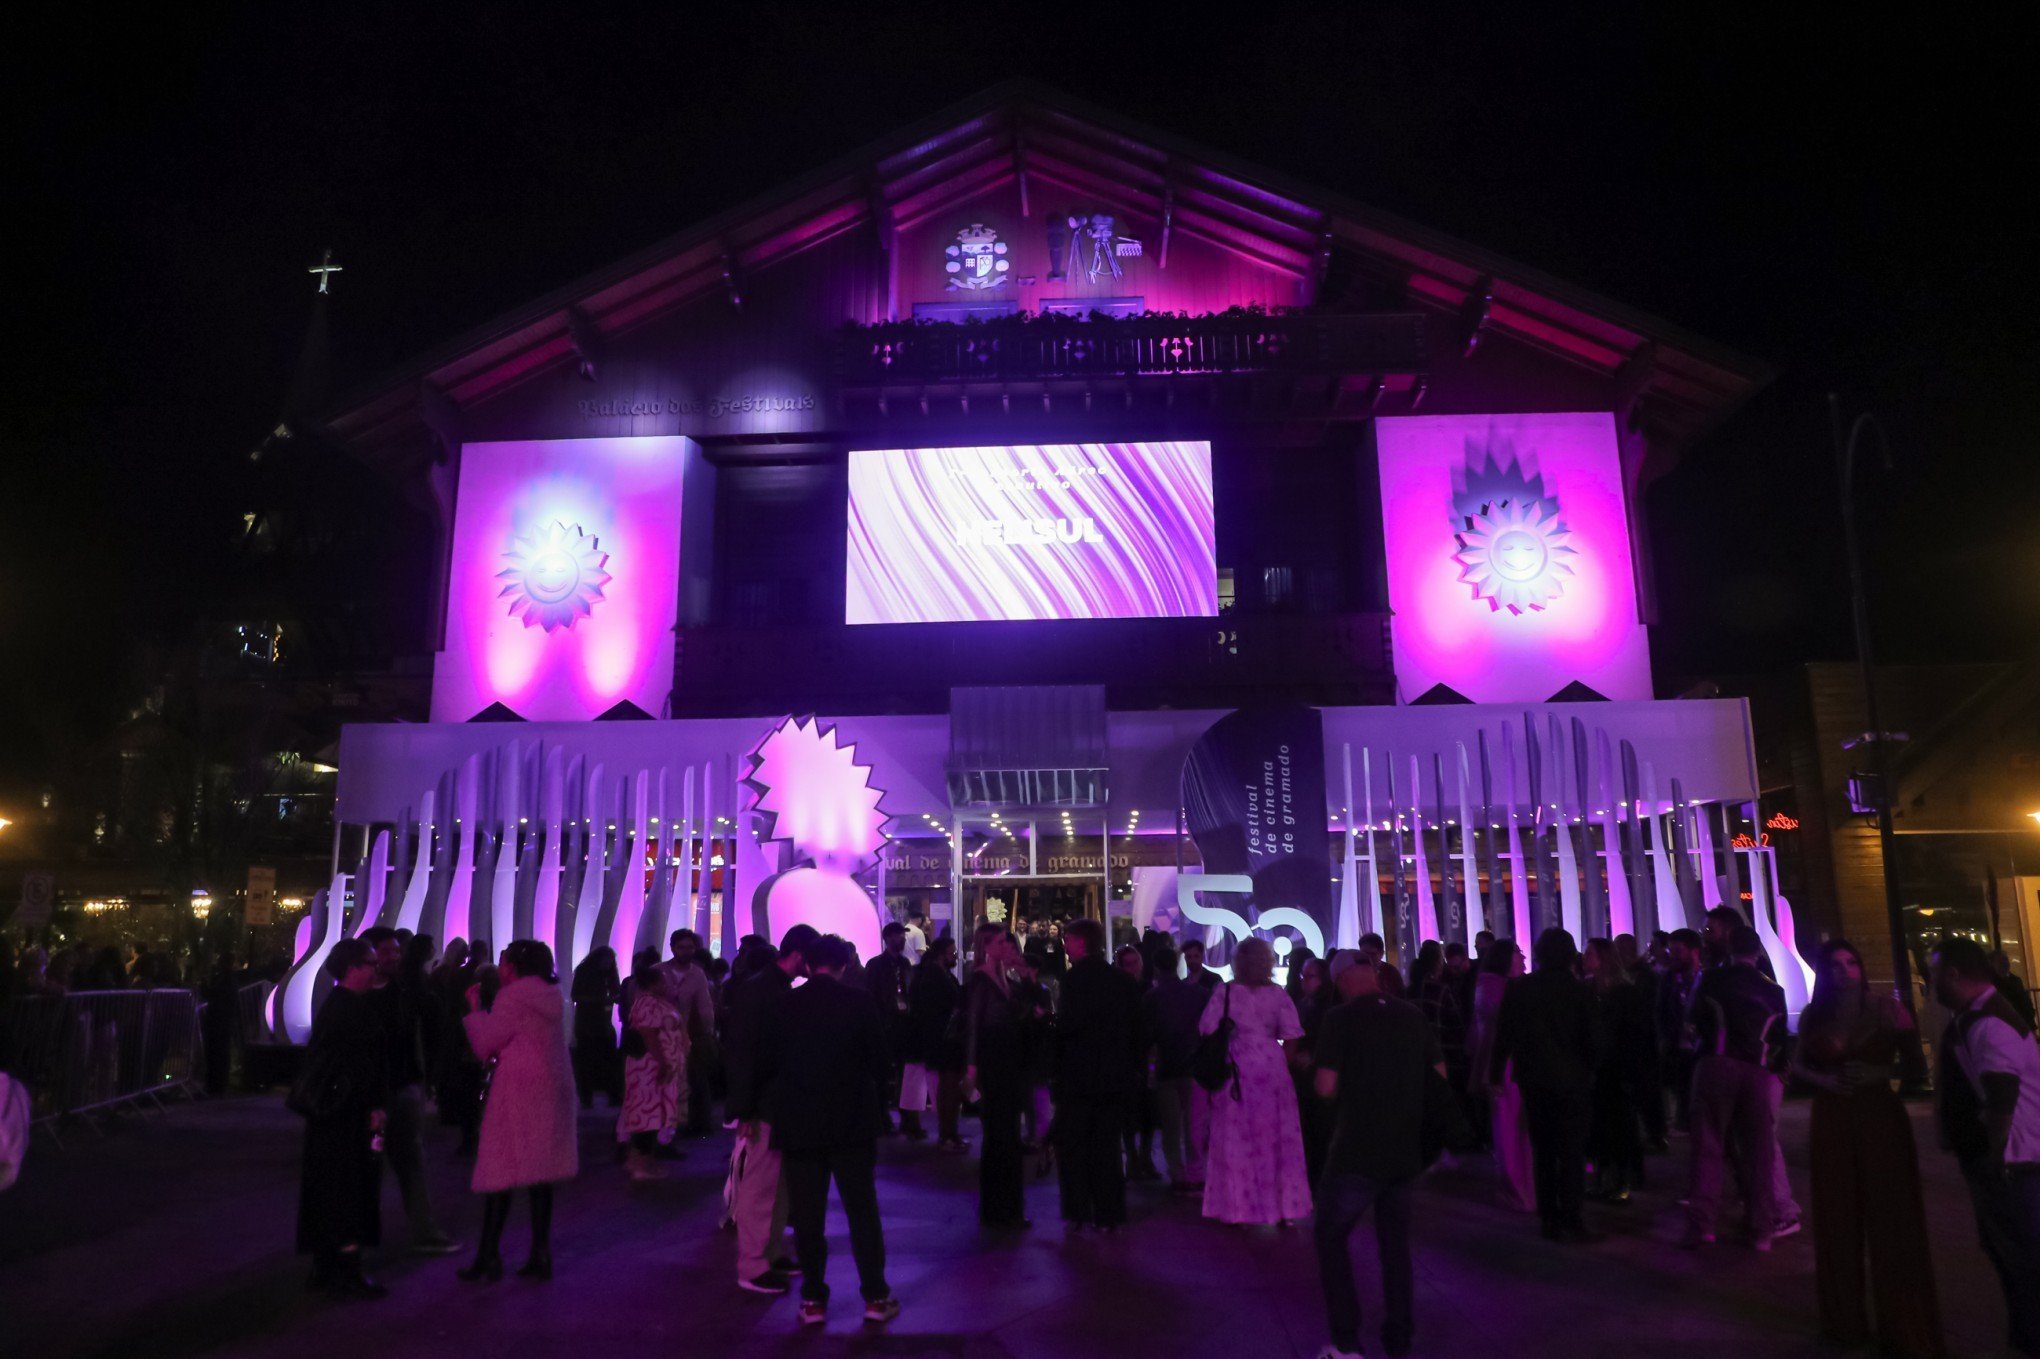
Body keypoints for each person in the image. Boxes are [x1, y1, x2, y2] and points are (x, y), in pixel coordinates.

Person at [1794, 939, 1943, 1357]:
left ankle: (1905, 1326)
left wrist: (1879, 1070)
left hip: (1879, 1114)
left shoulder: (1887, 1008)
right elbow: (1799, 1065)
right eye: (1835, 965)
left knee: (1892, 1219)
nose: (1844, 971)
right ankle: (1845, 1323)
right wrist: (1825, 1081)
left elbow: (1915, 1067)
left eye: (1851, 962)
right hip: (1832, 1118)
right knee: (1836, 1215)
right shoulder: (1813, 1015)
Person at [759, 933, 901, 1327]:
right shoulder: (858, 1003)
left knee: (808, 1215)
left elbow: (768, 1062)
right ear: (843, 965)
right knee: (862, 1211)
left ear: (809, 964)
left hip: (800, 1122)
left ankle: (813, 1300)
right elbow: (880, 1061)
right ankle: (875, 1295)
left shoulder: (785, 1005)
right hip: (851, 1121)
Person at [1312, 950, 1441, 1359]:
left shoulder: (1340, 1019)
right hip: (1404, 1146)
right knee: (1395, 1243)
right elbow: (1439, 1076)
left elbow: (1326, 1087)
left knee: (1330, 1234)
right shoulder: (1412, 1015)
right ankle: (1399, 1337)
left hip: (1358, 1147)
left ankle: (1347, 1341)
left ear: (1342, 980)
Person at [1932, 936, 2040, 1356]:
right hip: (2013, 1161)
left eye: (1935, 973)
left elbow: (2001, 1098)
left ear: (1954, 975)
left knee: (2024, 1262)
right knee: (2015, 1259)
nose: (1930, 981)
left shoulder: (1989, 1022)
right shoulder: (1979, 1016)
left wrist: (1994, 1158)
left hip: (2015, 1163)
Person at [458, 940, 578, 1282]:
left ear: (513, 966)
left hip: (518, 1087)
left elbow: (486, 1044)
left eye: (503, 961)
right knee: (541, 1174)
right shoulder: (550, 995)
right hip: (551, 1085)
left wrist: (474, 1009)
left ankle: (488, 1256)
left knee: (501, 1170)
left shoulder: (512, 997)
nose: (499, 967)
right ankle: (540, 1255)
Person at [724, 925, 817, 1295]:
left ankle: (768, 1254)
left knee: (775, 1185)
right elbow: (743, 1055)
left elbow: (745, 1053)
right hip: (765, 1104)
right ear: (799, 955)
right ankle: (753, 1264)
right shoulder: (765, 991)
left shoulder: (767, 988)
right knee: (763, 1186)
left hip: (770, 1102)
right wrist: (743, 1109)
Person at [296, 938, 390, 1299]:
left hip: (331, 1113)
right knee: (351, 1187)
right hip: (349, 1114)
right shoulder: (354, 1011)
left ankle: (325, 1262)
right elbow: (363, 1067)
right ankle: (346, 1267)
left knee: (328, 1186)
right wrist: (375, 1108)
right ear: (353, 968)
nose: (375, 969)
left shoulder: (335, 1006)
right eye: (370, 963)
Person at [1491, 929, 1600, 1242]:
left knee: (1543, 1150)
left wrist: (1496, 1074)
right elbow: (1592, 1039)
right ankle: (1572, 1218)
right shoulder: (1579, 991)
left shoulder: (1520, 989)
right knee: (1571, 1152)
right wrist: (1590, 1069)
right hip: (1572, 1080)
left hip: (1533, 1079)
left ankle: (1549, 1218)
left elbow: (1504, 1036)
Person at [1683, 924, 1786, 1251]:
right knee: (1759, 1151)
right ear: (1757, 953)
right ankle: (1761, 1230)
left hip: (1717, 1064)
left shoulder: (1712, 979)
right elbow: (1779, 1037)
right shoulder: (1774, 990)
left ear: (1729, 950)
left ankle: (1704, 1225)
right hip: (1757, 1070)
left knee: (1709, 1146)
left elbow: (1693, 1019)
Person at [1198, 937, 1313, 1225]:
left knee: (1235, 1141)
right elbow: (1292, 1036)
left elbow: (1207, 1029)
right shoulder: (1278, 995)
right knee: (1277, 1140)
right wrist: (1277, 1064)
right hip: (1273, 1071)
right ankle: (1283, 1207)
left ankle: (1236, 1207)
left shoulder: (1224, 992)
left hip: (1235, 1070)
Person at [359, 927, 457, 1254]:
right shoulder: (356, 997)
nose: (394, 957)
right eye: (387, 951)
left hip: (404, 1087)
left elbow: (427, 1033)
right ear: (369, 955)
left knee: (411, 1161)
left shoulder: (406, 991)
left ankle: (424, 1230)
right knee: (368, 1164)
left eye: (396, 951)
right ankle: (360, 1234)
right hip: (371, 1093)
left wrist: (424, 1077)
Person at [1054, 920, 1146, 1231]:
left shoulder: (1073, 981)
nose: (1065, 945)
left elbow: (1067, 1028)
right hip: (1114, 1076)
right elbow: (1138, 1032)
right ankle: (1109, 1213)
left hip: (1079, 1077)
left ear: (1080, 943)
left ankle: (1079, 1210)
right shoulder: (1121, 982)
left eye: (1068, 939)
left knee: (1076, 1146)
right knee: (1107, 1147)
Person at [966, 923, 1036, 1227]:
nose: (1008, 946)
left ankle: (1005, 1209)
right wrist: (971, 1069)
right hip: (994, 1066)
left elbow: (1026, 1011)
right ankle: (999, 1210)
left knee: (1005, 1137)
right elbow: (972, 1028)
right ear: (988, 946)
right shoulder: (981, 982)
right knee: (999, 1138)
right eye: (1001, 942)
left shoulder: (1004, 979)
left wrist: (1026, 977)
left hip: (1007, 1064)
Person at [1581, 937, 1652, 1202]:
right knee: (1600, 1125)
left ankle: (1621, 1180)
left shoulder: (1624, 993)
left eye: (1589, 953)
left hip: (1618, 1069)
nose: (1584, 957)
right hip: (1599, 1069)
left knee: (1620, 1125)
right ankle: (1604, 1177)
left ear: (1603, 959)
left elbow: (1635, 1035)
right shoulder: (1590, 989)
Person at [1467, 940, 1532, 1204]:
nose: (1523, 957)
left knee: (1516, 1129)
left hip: (1509, 1065)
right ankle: (1519, 1189)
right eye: (1518, 952)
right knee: (1511, 1129)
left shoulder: (1492, 986)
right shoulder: (1495, 988)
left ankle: (1522, 1187)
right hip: (1505, 1067)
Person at [1145, 943, 1210, 1195]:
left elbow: (1147, 1036)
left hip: (1166, 1066)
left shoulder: (1152, 997)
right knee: (1194, 1124)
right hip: (1193, 1065)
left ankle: (1177, 1173)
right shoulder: (1199, 994)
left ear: (1156, 968)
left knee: (1171, 1126)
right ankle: (1196, 1171)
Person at [619, 958, 689, 1181]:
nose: (668, 985)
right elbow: (649, 1035)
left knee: (651, 1115)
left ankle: (642, 1161)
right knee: (646, 1115)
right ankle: (641, 1163)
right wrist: (663, 1063)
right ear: (655, 982)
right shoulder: (647, 1003)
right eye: (664, 981)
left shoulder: (654, 1002)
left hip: (655, 1067)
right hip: (649, 1069)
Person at [907, 935, 966, 1151]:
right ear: (942, 954)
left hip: (944, 1039)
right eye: (952, 953)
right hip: (944, 1040)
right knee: (948, 1087)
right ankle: (947, 1133)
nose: (955, 957)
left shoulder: (937, 974)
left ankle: (950, 1132)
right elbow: (938, 1008)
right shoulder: (935, 976)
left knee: (948, 1086)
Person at [657, 929, 717, 1137]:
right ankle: (662, 1126)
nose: (686, 952)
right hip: (659, 1034)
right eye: (682, 948)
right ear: (672, 948)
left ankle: (687, 1124)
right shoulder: (658, 971)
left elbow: (704, 1006)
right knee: (664, 1081)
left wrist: (708, 1030)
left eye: (690, 948)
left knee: (691, 1080)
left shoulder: (697, 974)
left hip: (688, 1035)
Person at [865, 921, 916, 1137]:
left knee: (907, 1073)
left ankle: (907, 1118)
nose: (902, 939)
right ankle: (882, 1118)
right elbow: (871, 995)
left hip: (903, 1024)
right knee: (883, 1073)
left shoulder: (905, 963)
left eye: (902, 936)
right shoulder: (876, 964)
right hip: (885, 1024)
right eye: (897, 936)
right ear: (887, 939)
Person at [1656, 927, 1703, 1134]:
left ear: (1694, 952)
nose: (1672, 956)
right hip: (1679, 1046)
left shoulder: (1709, 977)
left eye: (1678, 951)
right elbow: (1661, 1010)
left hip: (1703, 1047)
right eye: (1671, 951)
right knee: (1683, 1087)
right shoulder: (1668, 979)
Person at [570, 946, 623, 1109]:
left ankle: (608, 1095)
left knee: (605, 1060)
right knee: (588, 1060)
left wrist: (615, 997)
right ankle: (588, 1096)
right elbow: (576, 995)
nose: (609, 964)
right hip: (588, 1023)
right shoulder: (585, 972)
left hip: (603, 1023)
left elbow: (616, 992)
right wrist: (601, 1000)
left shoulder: (609, 974)